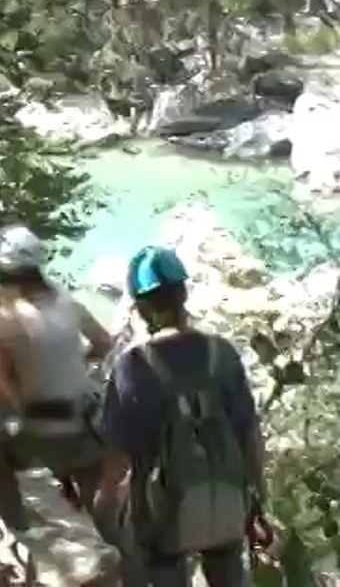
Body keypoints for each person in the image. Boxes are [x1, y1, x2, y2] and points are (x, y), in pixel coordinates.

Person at [95, 245, 270, 587]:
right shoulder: (223, 354)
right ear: (184, 294)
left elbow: (117, 458)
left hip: (162, 518)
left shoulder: (132, 367)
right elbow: (249, 436)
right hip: (226, 501)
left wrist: (105, 511)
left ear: (140, 307)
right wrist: (258, 504)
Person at [0, 224, 116, 534]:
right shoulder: (68, 301)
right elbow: (105, 343)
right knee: (103, 508)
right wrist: (72, 362)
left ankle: (16, 535)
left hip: (41, 431)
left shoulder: (5, 319)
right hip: (87, 426)